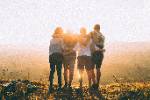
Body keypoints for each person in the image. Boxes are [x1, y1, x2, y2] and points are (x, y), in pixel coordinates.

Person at [49, 27, 64, 92]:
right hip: (58, 55)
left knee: (52, 70)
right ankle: (59, 85)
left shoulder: (51, 40)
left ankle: (51, 84)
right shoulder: (61, 39)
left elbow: (50, 49)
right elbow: (63, 47)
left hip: (52, 56)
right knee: (59, 71)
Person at [90, 24, 105, 89]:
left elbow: (91, 43)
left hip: (94, 53)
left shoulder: (92, 33)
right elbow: (102, 45)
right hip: (101, 53)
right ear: (99, 28)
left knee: (91, 68)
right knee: (98, 68)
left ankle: (94, 83)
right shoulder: (102, 35)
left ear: (94, 28)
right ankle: (97, 83)